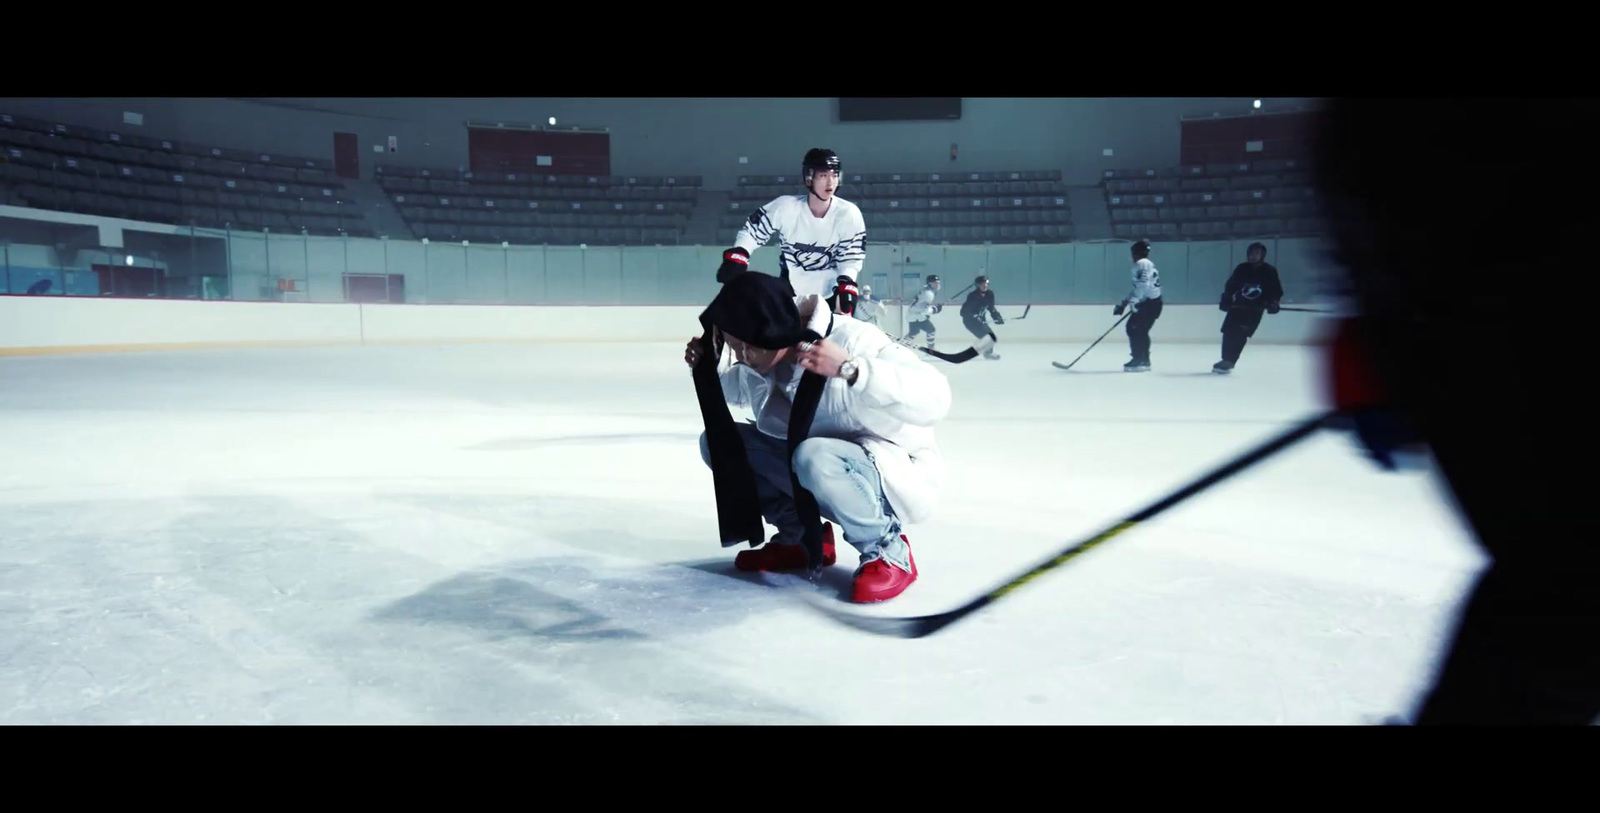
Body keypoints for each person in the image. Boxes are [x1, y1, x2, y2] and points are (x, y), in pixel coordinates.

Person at [1317, 97, 1600, 725]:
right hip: (1503, 319)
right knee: (1565, 581)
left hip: (1484, 310)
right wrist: (1378, 341)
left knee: (1562, 584)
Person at [686, 271, 951, 603]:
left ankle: (889, 549)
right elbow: (740, 391)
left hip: (890, 468)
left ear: (769, 327)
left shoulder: (851, 340)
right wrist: (706, 368)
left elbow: (936, 397)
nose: (741, 356)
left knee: (812, 454)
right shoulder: (767, 357)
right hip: (817, 465)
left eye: (747, 346)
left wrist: (852, 369)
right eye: (734, 345)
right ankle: (799, 538)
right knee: (720, 443)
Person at [716, 148, 867, 313]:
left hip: (830, 293)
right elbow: (753, 230)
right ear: (809, 178)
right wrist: (740, 254)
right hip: (789, 290)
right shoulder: (786, 208)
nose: (830, 182)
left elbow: (851, 258)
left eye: (834, 175)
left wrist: (847, 281)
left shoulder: (849, 214)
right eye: (823, 176)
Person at [1213, 242, 1284, 374]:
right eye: (1251, 253)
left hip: (1254, 310)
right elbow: (1231, 285)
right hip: (1238, 307)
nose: (1253, 256)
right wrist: (1226, 298)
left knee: (1241, 334)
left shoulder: (1269, 271)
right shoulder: (1242, 268)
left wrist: (1273, 302)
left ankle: (1230, 361)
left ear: (1262, 255)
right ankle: (1225, 358)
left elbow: (1275, 290)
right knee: (1228, 332)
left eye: (1256, 253)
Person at [1114, 239, 1163, 372]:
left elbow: (1143, 284)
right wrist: (1124, 303)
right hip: (1150, 302)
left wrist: (1135, 301)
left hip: (1149, 303)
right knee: (1138, 329)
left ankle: (1139, 359)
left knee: (1134, 328)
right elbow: (1139, 287)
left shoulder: (1142, 264)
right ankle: (1143, 359)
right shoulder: (1146, 264)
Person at [959, 274, 1004, 360]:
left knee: (990, 336)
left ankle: (987, 352)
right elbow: (964, 311)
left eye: (986, 283)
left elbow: (991, 307)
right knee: (987, 337)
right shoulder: (972, 296)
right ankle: (983, 351)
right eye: (982, 284)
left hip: (981, 320)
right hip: (970, 322)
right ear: (977, 285)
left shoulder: (990, 294)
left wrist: (996, 316)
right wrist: (974, 317)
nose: (985, 285)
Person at [903, 274, 941, 349]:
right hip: (918, 316)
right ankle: (931, 348)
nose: (937, 285)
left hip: (912, 314)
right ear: (930, 284)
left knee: (914, 332)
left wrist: (932, 307)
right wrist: (934, 310)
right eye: (935, 283)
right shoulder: (929, 294)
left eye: (938, 283)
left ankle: (902, 345)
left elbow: (921, 304)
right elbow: (924, 310)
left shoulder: (925, 289)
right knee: (931, 330)